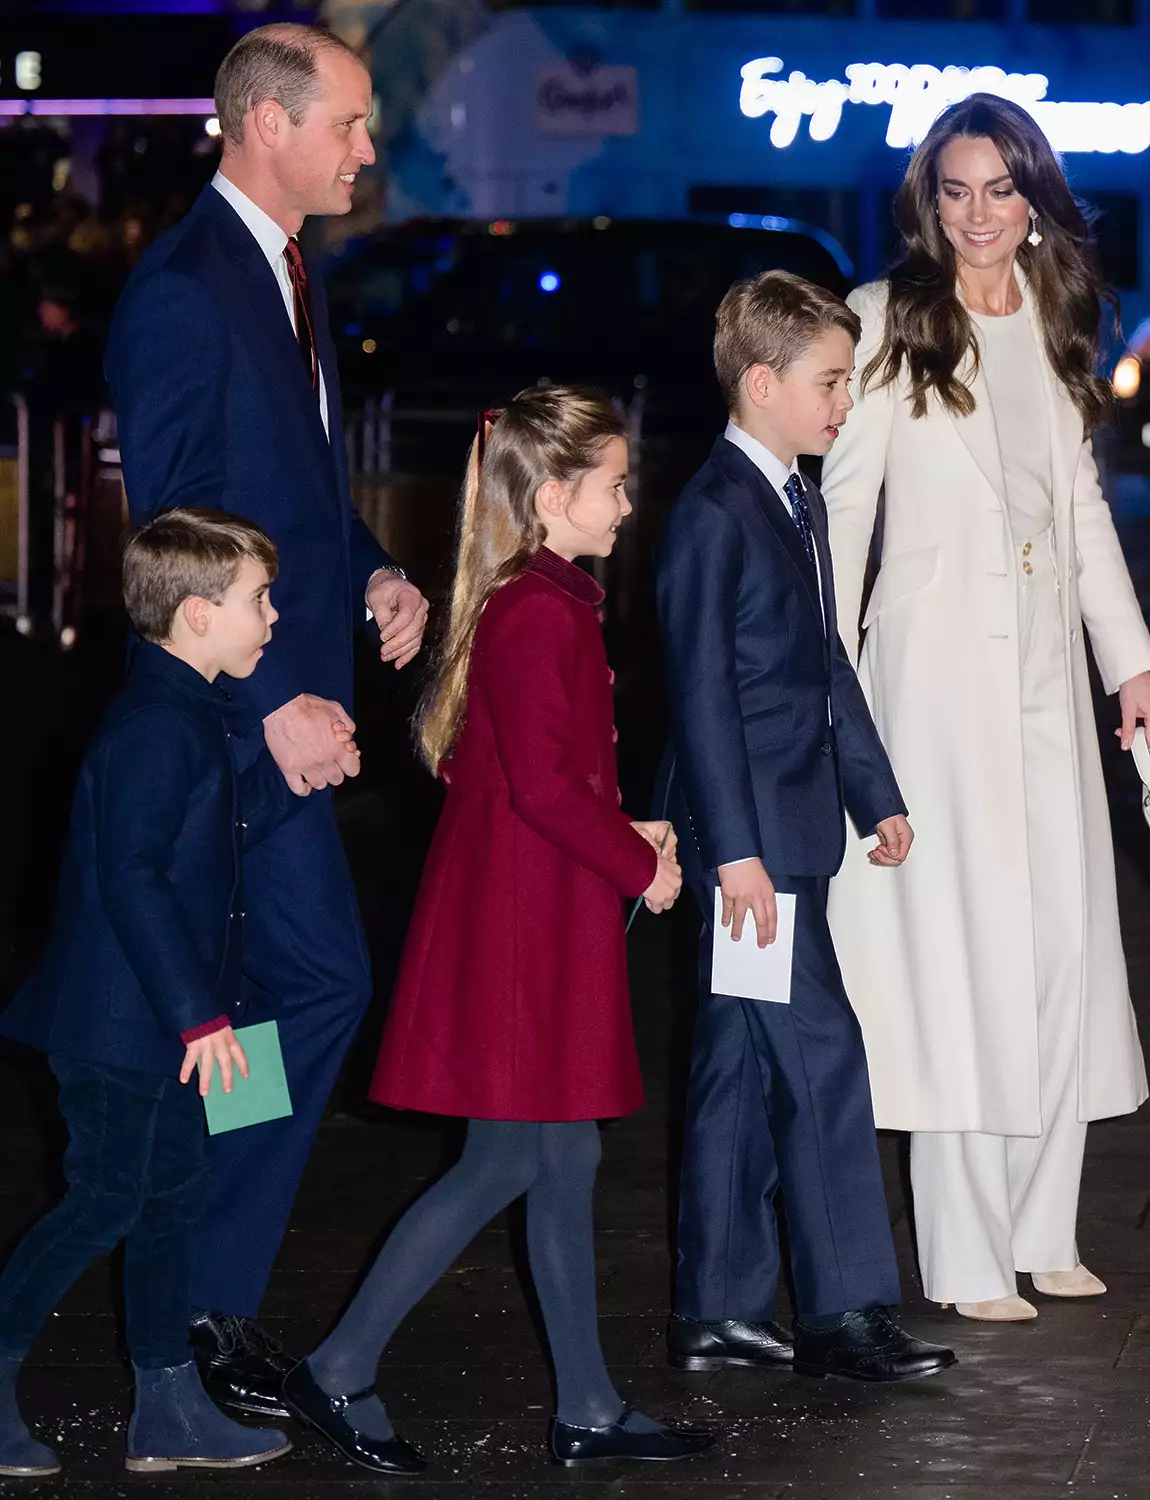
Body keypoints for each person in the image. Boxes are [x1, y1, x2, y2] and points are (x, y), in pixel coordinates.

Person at [280, 387, 715, 1473]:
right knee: (505, 1161)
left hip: (533, 912)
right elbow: (541, 793)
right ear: (555, 495)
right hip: (524, 928)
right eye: (614, 487)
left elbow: (534, 772)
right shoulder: (534, 610)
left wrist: (626, 826)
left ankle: (587, 1406)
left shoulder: (538, 599)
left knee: (559, 1156)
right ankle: (336, 1368)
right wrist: (638, 866)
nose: (628, 505)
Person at [103, 23, 430, 1414]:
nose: (368, 150)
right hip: (230, 733)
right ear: (265, 125)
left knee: (280, 1002)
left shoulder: (283, 274)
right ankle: (184, 1304)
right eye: (351, 125)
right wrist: (267, 699)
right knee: (292, 995)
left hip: (277, 718)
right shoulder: (186, 290)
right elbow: (173, 545)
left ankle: (198, 1298)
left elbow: (282, 487)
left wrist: (371, 572)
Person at [821, 94, 1150, 1322]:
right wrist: (830, 687)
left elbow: (1079, 511)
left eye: (998, 190)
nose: (975, 214)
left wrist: (1130, 659)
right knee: (951, 960)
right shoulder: (880, 320)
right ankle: (962, 1259)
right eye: (953, 190)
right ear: (926, 198)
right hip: (927, 687)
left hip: (1042, 692)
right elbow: (843, 518)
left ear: (1034, 198)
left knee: (1058, 942)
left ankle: (1043, 1227)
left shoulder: (1061, 318)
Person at [656, 270, 956, 1383]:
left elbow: (821, 663)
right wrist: (732, 851)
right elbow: (697, 697)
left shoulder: (793, 498)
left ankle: (716, 1310)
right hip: (759, 857)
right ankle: (842, 1314)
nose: (845, 400)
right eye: (833, 381)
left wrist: (872, 791)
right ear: (764, 382)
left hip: (786, 838)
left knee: (738, 1069)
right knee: (826, 1062)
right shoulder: (713, 514)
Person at [0, 508, 310, 1478]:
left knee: (172, 1196)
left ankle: (168, 1404)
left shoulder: (183, 710)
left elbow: (196, 840)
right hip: (125, 1026)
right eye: (258, 598)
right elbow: (131, 876)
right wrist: (200, 1015)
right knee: (104, 1201)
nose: (273, 615)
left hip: (165, 1029)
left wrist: (291, 786)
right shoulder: (157, 726)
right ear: (193, 612)